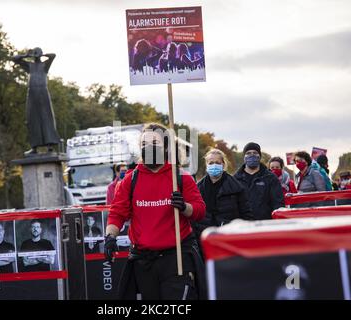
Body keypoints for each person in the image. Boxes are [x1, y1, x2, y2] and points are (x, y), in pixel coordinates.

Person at [104, 123, 206, 300]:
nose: (148, 147)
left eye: (154, 142)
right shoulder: (130, 180)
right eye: (144, 144)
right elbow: (117, 213)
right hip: (144, 261)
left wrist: (184, 207)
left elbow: (199, 210)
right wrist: (110, 237)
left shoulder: (180, 177)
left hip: (176, 258)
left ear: (166, 147)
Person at [193, 149, 253, 248]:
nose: (214, 165)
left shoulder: (236, 187)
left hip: (229, 238)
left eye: (217, 162)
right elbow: (194, 216)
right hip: (204, 239)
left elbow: (246, 214)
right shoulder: (198, 188)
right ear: (207, 165)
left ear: (223, 164)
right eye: (211, 163)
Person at [12, 47, 60, 155]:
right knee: (32, 120)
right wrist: (26, 55)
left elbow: (53, 55)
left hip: (43, 92)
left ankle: (50, 145)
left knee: (46, 118)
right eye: (35, 54)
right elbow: (14, 59)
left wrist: (41, 55)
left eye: (36, 54)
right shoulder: (29, 66)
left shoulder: (45, 65)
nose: (36, 56)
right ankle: (34, 147)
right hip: (32, 93)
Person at [234, 142, 285, 220]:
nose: (252, 155)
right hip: (243, 226)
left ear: (260, 156)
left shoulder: (270, 178)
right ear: (244, 157)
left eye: (255, 153)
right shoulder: (235, 179)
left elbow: (278, 204)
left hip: (265, 225)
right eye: (248, 153)